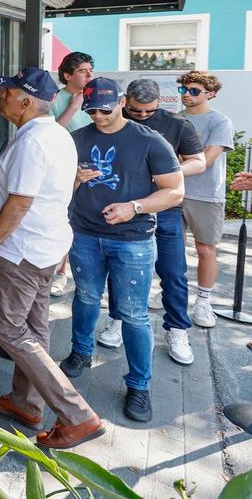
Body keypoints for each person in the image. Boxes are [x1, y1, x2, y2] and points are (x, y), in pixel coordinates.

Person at [0, 67, 104, 449]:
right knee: (35, 325)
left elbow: (20, 201)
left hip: (24, 250)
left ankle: (76, 414)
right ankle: (26, 403)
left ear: (26, 101)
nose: (2, 98)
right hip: (48, 246)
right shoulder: (56, 135)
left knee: (9, 328)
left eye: (7, 93)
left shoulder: (32, 142)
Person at [61, 77, 184, 423]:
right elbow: (58, 186)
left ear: (121, 102)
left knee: (133, 314)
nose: (98, 116)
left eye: (105, 109)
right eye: (91, 110)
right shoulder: (78, 138)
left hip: (132, 239)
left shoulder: (149, 140)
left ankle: (139, 385)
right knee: (85, 297)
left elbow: (175, 192)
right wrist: (76, 179)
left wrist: (135, 207)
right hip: (85, 234)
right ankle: (80, 352)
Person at [98, 79, 206, 365]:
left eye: (149, 111)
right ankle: (118, 320)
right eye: (136, 110)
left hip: (166, 207)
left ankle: (177, 328)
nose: (143, 115)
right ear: (124, 102)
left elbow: (199, 161)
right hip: (123, 207)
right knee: (120, 267)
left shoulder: (177, 124)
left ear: (159, 103)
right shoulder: (112, 123)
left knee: (173, 270)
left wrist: (166, 171)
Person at [178, 71, 234, 328]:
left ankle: (203, 301)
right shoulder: (174, 119)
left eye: (194, 91)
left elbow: (206, 161)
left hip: (206, 195)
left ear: (210, 94)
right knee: (170, 249)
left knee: (205, 249)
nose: (187, 95)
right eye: (184, 90)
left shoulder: (220, 122)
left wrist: (177, 162)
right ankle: (171, 292)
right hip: (174, 191)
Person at [49, 51, 95, 296]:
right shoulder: (55, 99)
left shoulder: (97, 96)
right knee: (66, 218)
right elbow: (51, 132)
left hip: (96, 167)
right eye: (82, 71)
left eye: (90, 70)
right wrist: (74, 106)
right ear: (67, 75)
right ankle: (60, 272)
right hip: (67, 169)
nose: (89, 75)